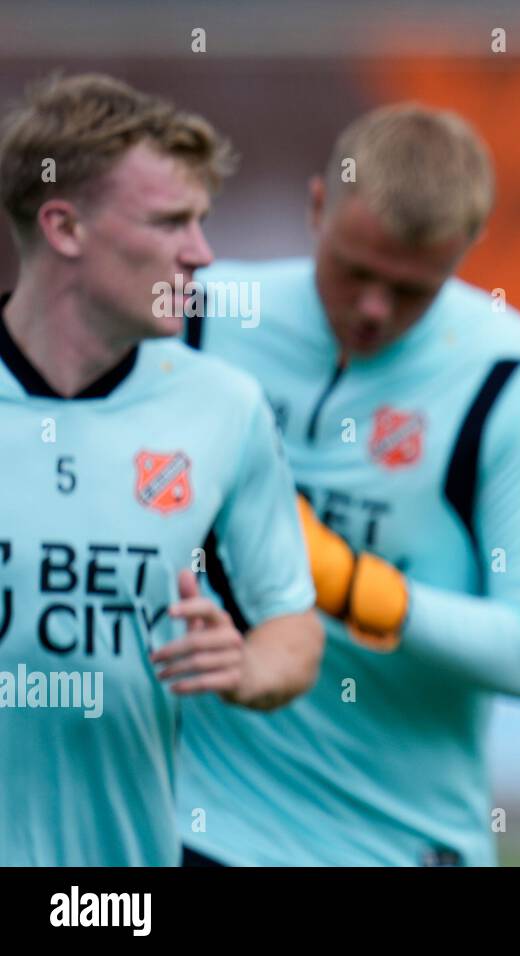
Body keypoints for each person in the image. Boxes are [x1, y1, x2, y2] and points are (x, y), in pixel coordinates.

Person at [177, 103, 520, 866]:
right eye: (355, 272)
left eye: (411, 290)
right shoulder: (205, 313)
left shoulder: (514, 373)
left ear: (467, 249)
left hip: (396, 840)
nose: (373, 309)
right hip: (198, 826)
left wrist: (348, 584)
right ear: (315, 208)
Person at [0, 73, 323, 866]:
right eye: (171, 222)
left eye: (202, 221)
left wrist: (246, 666)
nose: (201, 254)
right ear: (64, 226)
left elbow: (295, 626)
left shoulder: (222, 408)